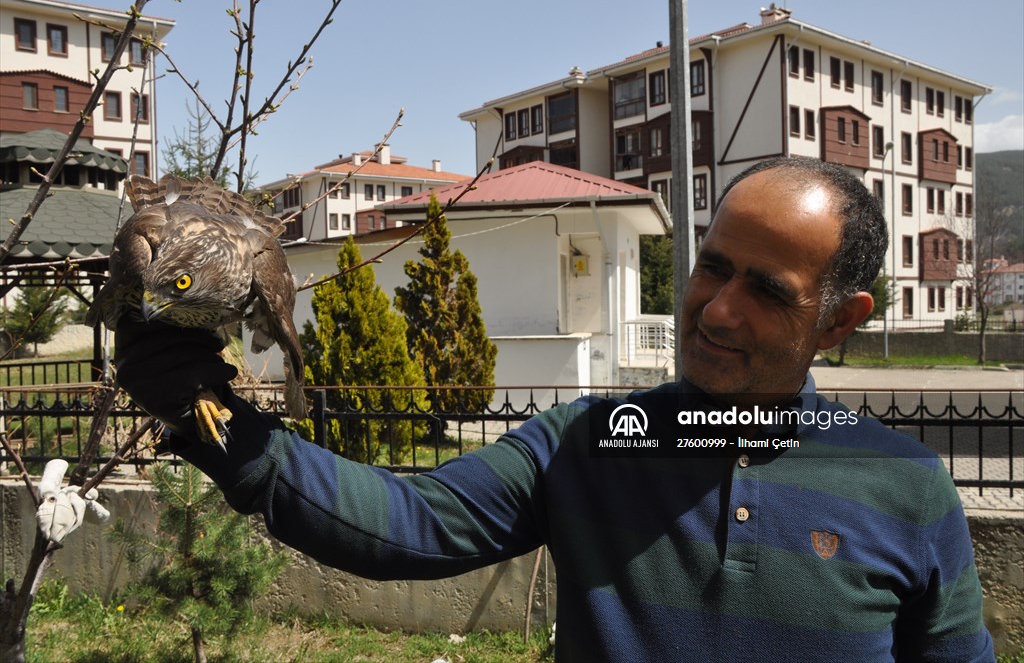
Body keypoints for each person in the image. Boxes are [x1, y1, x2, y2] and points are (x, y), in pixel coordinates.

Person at [114, 157, 994, 662]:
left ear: (841, 320)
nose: (717, 308)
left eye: (767, 291)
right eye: (713, 267)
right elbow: (402, 525)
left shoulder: (907, 489)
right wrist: (213, 421)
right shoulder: (597, 440)